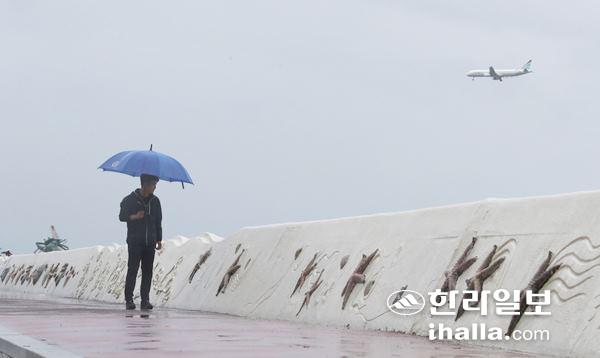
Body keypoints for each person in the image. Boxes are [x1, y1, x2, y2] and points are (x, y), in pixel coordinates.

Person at [119, 174, 163, 310]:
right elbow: (122, 217)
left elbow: (158, 221)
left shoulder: (155, 201)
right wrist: (135, 216)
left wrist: (159, 238)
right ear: (145, 184)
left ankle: (145, 300)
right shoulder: (129, 200)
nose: (155, 187)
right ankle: (129, 300)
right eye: (153, 184)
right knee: (132, 270)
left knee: (148, 271)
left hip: (150, 242)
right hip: (134, 241)